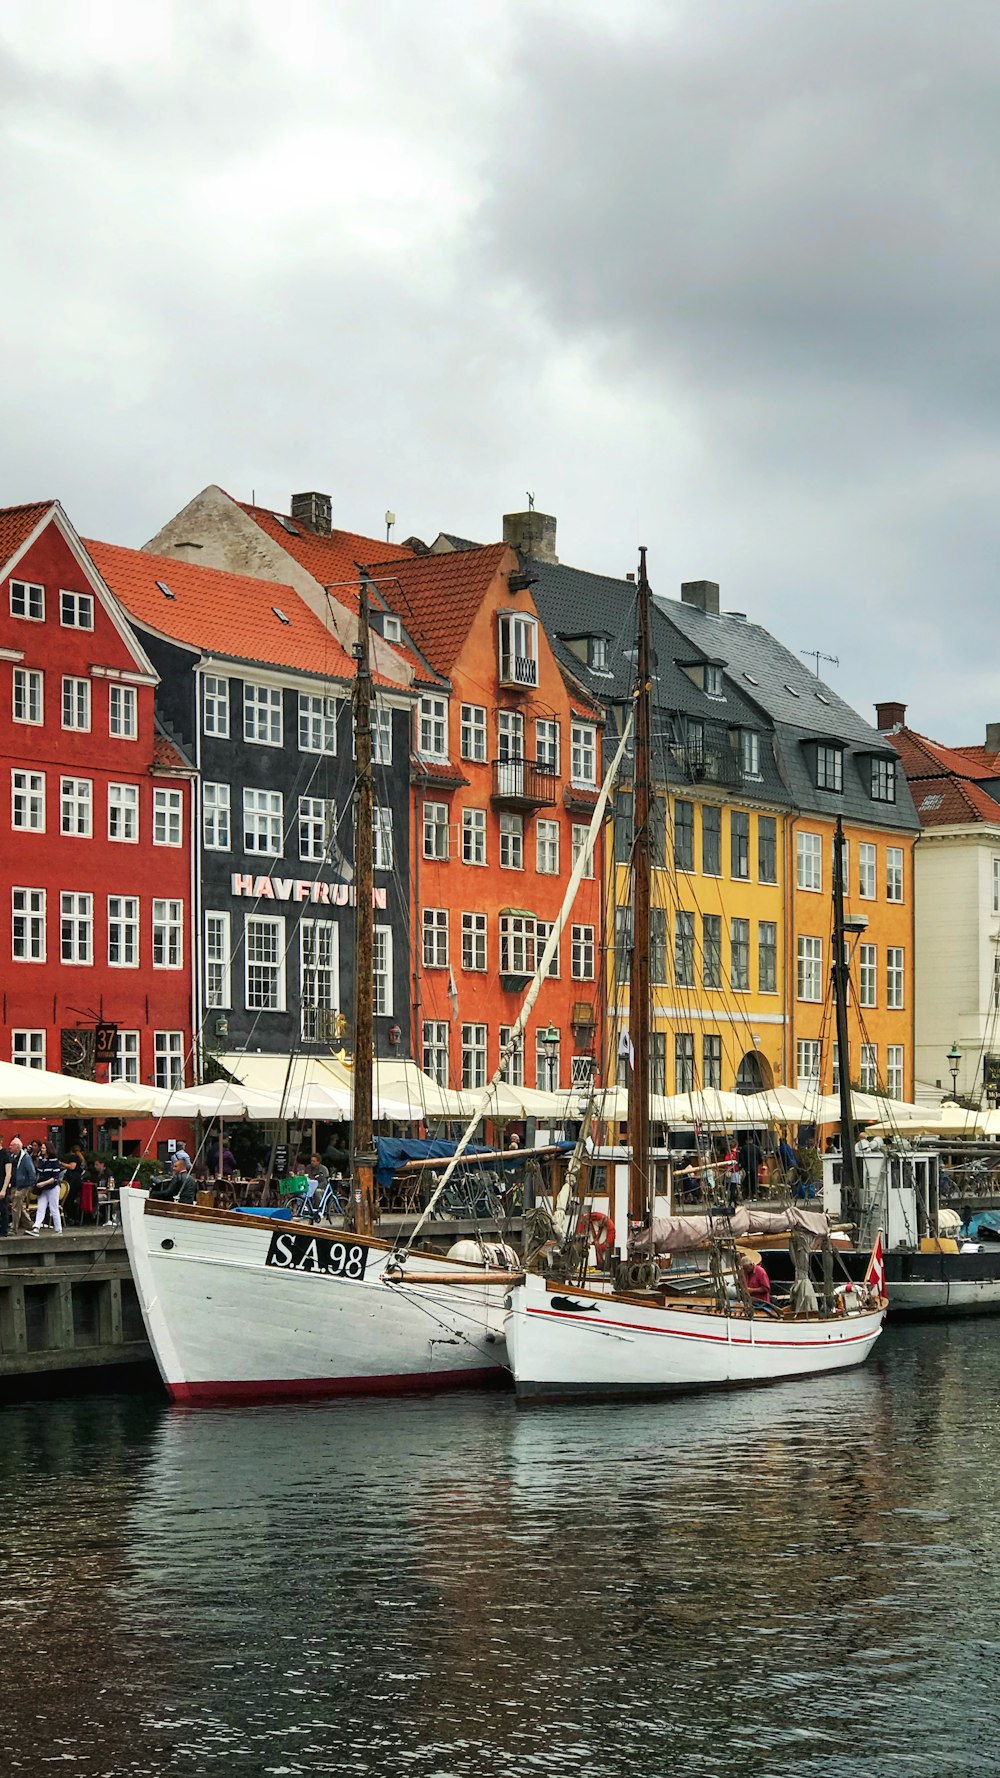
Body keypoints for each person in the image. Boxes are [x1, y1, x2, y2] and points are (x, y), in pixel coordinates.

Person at [32, 1143, 65, 1234]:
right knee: (41, 1207)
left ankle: (58, 1228)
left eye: (43, 1148)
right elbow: (39, 1173)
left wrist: (42, 1183)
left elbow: (55, 1177)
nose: (42, 1150)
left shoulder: (54, 1161)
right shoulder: (42, 1160)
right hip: (43, 1187)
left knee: (53, 1207)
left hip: (52, 1187)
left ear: (48, 1149)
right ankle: (36, 1226)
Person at [8, 1137, 36, 1233]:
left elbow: (32, 1172)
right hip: (15, 1185)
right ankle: (29, 1224)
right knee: (19, 1205)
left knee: (15, 1206)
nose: (9, 1147)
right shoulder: (13, 1157)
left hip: (23, 1186)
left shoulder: (26, 1158)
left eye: (11, 1145)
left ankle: (14, 1228)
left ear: (18, 1147)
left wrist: (31, 1185)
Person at [0, 1137, 12, 1237]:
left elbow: (8, 1174)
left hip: (2, 1185)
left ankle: (4, 1230)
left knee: (3, 1209)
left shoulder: (5, 1155)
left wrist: (4, 1189)